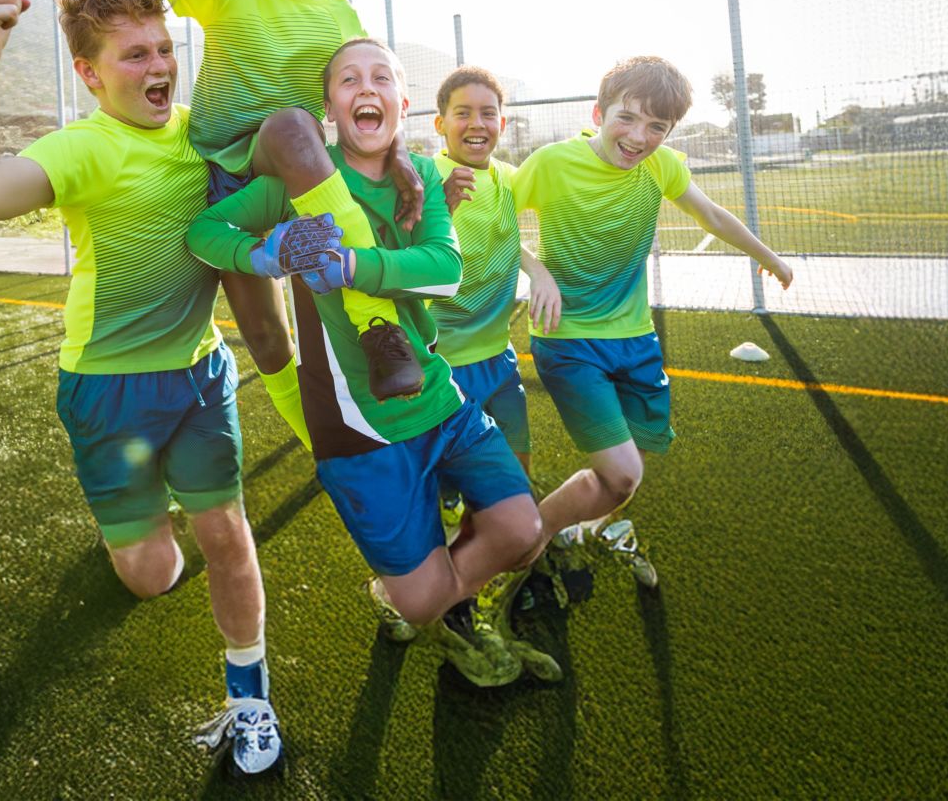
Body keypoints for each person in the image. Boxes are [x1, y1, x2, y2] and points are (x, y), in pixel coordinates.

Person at [0, 0, 281, 776]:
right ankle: (132, 523)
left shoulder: (208, 138)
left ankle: (249, 697)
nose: (159, 66)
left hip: (198, 378)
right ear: (91, 75)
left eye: (164, 49)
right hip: (107, 394)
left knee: (225, 534)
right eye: (134, 55)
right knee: (155, 576)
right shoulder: (81, 148)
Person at [186, 38, 542, 687]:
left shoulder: (423, 181)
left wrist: (354, 265)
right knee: (421, 599)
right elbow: (204, 234)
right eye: (348, 79)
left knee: (523, 529)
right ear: (329, 107)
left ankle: (435, 586)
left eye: (381, 77)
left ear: (403, 105)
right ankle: (418, 594)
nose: (365, 86)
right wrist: (267, 254)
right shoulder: (289, 190)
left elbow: (443, 268)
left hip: (438, 396)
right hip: (360, 431)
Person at [87, 0, 428, 444]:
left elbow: (366, 97)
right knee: (269, 341)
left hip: (297, 175)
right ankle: (324, 445)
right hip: (225, 184)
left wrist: (398, 154)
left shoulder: (341, 15)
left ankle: (381, 328)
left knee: (294, 128)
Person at [515, 55, 793, 589]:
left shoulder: (661, 167)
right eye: (628, 118)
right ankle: (536, 534)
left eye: (656, 127)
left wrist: (769, 255)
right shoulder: (552, 162)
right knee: (622, 474)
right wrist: (537, 271)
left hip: (637, 340)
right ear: (599, 111)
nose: (639, 137)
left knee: (635, 458)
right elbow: (495, 224)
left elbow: (711, 214)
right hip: (569, 340)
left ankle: (590, 527)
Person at [430, 66, 554, 477]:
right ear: (440, 124)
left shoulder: (508, 178)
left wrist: (538, 271)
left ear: (501, 122)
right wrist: (441, 210)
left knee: (517, 462)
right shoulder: (424, 178)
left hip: (499, 356)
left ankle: (518, 526)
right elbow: (404, 252)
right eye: (462, 112)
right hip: (443, 362)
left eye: (488, 113)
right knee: (450, 472)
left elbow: (504, 236)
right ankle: (450, 518)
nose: (477, 123)